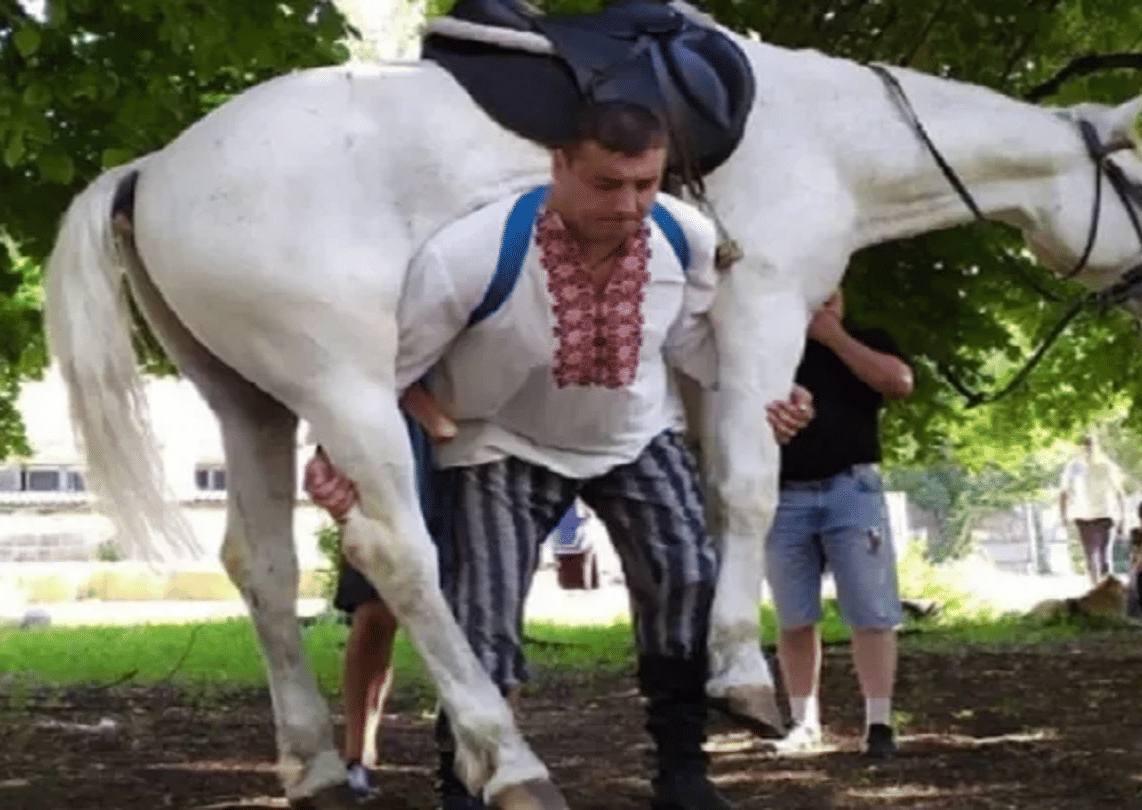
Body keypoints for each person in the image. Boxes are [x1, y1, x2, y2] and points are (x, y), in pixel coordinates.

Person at [305, 100, 816, 810]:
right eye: (608, 185)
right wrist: (334, 455)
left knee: (688, 575)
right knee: (482, 613)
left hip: (634, 434)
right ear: (558, 165)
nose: (631, 204)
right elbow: (389, 369)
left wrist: (769, 394)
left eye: (646, 183)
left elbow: (694, 342)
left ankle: (683, 775)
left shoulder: (684, 236)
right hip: (497, 441)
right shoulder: (473, 253)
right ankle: (464, 786)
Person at [762, 290, 914, 759]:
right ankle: (804, 723)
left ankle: (879, 724)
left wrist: (834, 337)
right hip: (782, 494)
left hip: (853, 489)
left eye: (833, 296)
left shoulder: (868, 339)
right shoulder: (772, 344)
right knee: (794, 616)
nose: (824, 303)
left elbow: (899, 382)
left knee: (871, 610)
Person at [303, 388, 457, 800]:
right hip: (383, 445)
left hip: (471, 446)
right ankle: (358, 756)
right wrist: (327, 448)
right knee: (375, 614)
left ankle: (467, 758)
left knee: (473, 616)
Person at [1059, 436, 1127, 584]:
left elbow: (1119, 493)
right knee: (1090, 557)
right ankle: (1094, 591)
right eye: (1083, 447)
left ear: (1096, 447)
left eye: (1089, 447)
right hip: (1083, 517)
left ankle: (1105, 591)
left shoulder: (1106, 467)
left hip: (1104, 515)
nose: (1086, 450)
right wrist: (1063, 515)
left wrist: (1122, 518)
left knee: (1103, 558)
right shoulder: (1074, 467)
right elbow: (1064, 492)